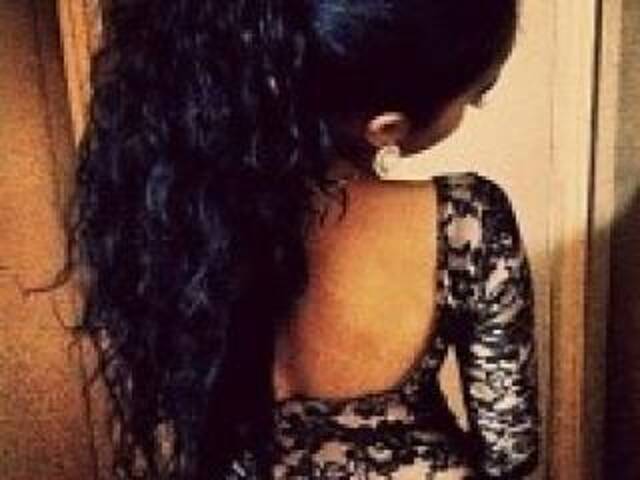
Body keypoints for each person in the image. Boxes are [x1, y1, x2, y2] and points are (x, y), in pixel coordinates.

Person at [66, 0, 539, 478]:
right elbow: (511, 450)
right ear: (386, 128)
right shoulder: (466, 220)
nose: (470, 108)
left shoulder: (184, 217)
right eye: (473, 98)